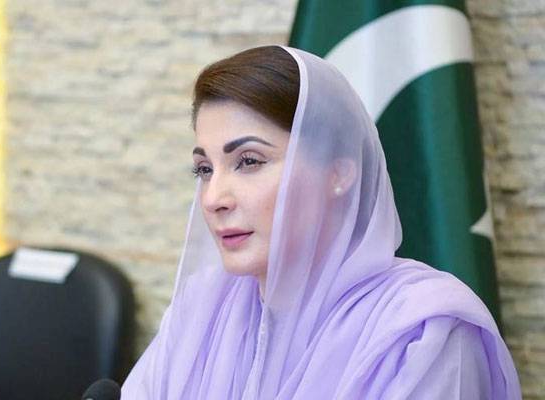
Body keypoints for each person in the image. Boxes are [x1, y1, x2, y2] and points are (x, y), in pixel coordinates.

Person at [121, 45, 521, 399]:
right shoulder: (201, 310)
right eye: (205, 169)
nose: (213, 199)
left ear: (339, 173)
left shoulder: (423, 333)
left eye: (249, 161)